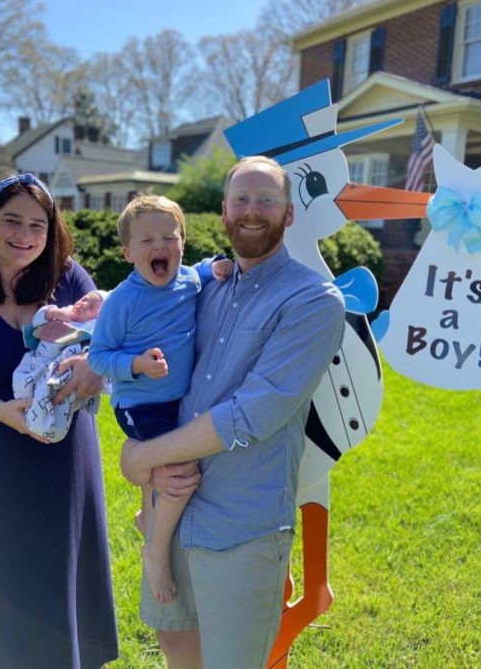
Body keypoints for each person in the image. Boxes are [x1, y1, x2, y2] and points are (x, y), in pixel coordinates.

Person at [120, 156, 346, 669]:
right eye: (241, 199)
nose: (252, 210)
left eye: (267, 199)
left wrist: (143, 455)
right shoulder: (203, 286)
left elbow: (253, 414)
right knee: (176, 646)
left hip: (241, 524)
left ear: (289, 214)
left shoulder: (314, 301)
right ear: (222, 211)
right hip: (172, 512)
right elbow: (138, 324)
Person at [0, 173, 118, 669]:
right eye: (12, 220)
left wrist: (96, 365)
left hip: (60, 471)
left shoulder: (71, 279)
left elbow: (115, 341)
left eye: (39, 224)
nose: (25, 234)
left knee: (52, 599)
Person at [88, 194, 233, 606]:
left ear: (182, 244)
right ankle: (156, 550)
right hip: (140, 406)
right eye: (147, 240)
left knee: (175, 466)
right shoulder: (123, 301)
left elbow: (201, 270)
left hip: (178, 401)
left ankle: (146, 517)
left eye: (169, 237)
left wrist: (215, 267)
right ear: (127, 251)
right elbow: (99, 357)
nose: (159, 247)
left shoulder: (188, 279)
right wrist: (136, 364)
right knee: (180, 473)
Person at [13, 289, 112, 443]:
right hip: (38, 361)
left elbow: (105, 347)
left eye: (92, 307)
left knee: (56, 396)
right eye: (85, 299)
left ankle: (47, 423)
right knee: (20, 380)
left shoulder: (91, 329)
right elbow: (37, 320)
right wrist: (52, 313)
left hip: (60, 369)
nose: (84, 304)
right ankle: (27, 405)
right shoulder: (65, 312)